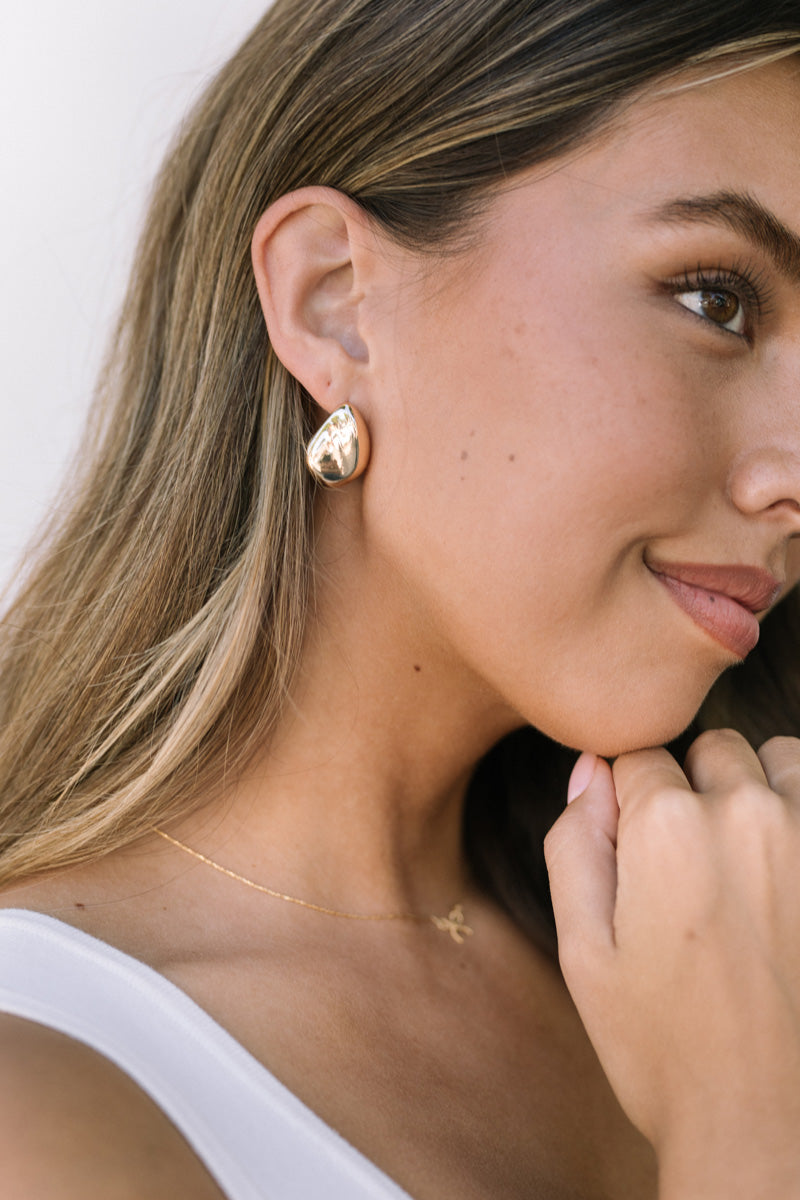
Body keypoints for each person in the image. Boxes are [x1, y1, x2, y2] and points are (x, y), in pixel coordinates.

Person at [1, 1, 800, 1196]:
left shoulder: (736, 953)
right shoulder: (43, 1087)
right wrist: (749, 1129)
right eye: (715, 302)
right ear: (334, 303)